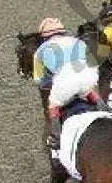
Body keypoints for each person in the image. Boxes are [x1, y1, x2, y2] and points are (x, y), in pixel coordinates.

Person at [33, 18, 103, 151]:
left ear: (44, 37)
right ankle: (106, 109)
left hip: (65, 82)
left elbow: (40, 81)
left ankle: (56, 138)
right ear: (63, 32)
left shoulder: (40, 51)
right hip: (88, 77)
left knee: (53, 105)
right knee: (88, 91)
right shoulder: (78, 42)